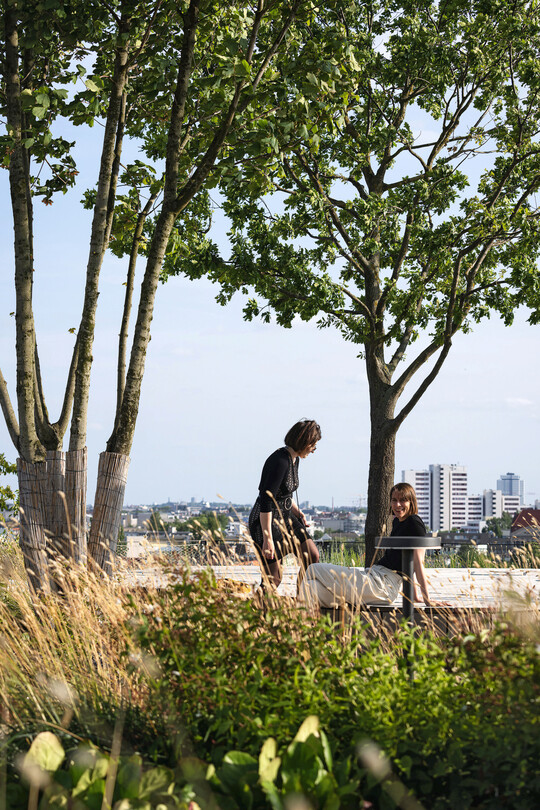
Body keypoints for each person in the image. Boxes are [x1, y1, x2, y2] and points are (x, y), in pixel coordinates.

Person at [298, 482, 446, 608]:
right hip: (373, 577)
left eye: (403, 500)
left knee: (313, 568)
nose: (397, 505)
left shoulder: (414, 522)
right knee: (310, 588)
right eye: (394, 500)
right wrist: (413, 596)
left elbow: (417, 562)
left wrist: (426, 600)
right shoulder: (397, 522)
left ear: (411, 502)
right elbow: (409, 566)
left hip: (382, 585)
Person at [249, 419, 321, 591]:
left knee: (312, 555)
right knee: (273, 578)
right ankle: (257, 614)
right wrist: (268, 539)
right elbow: (267, 499)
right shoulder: (279, 461)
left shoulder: (295, 459)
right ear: (304, 441)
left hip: (287, 517)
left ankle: (300, 602)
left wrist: (298, 512)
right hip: (267, 522)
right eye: (313, 444)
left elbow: (284, 493)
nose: (314, 449)